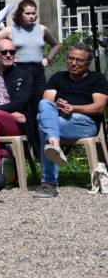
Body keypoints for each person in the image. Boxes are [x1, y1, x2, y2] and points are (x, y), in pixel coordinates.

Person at [34, 43, 108, 198]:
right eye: (70, 59)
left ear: (88, 63)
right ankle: (54, 144)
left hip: (85, 123)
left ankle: (49, 183)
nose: (73, 63)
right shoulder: (57, 78)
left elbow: (99, 107)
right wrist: (58, 105)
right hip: (59, 121)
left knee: (44, 125)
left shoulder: (97, 79)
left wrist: (74, 108)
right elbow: (46, 104)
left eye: (79, 60)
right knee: (44, 107)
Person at [0, 0, 61, 150]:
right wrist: (2, 57)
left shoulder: (42, 29)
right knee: (23, 108)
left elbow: (57, 44)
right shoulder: (10, 30)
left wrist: (48, 58)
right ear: (20, 14)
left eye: (34, 14)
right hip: (18, 71)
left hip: (38, 71)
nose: (32, 16)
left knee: (39, 107)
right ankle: (26, 148)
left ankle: (42, 147)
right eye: (28, 13)